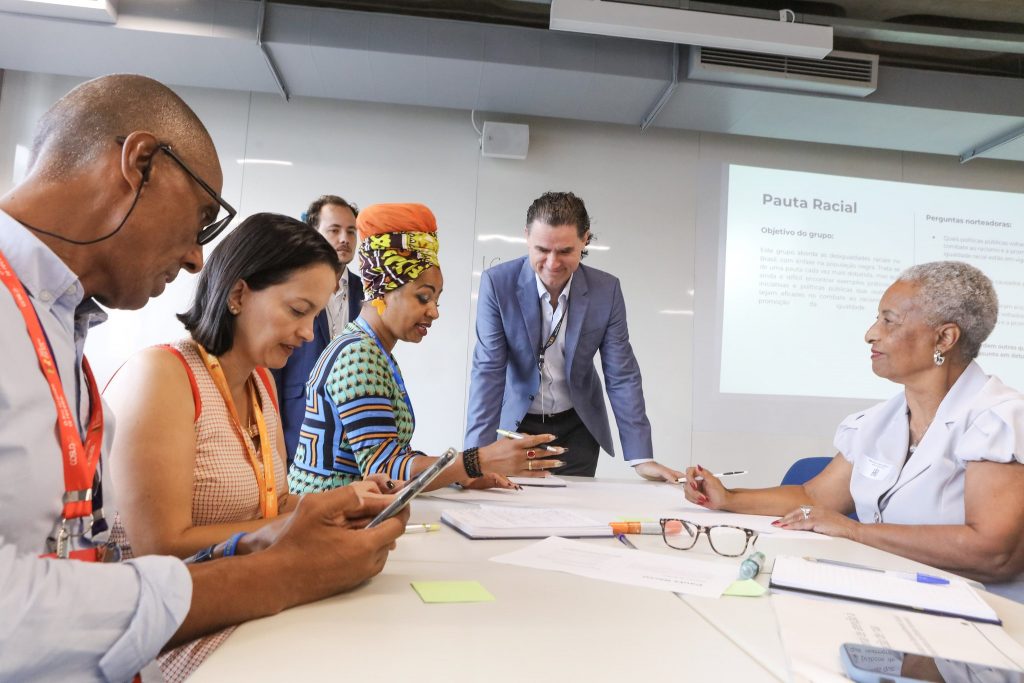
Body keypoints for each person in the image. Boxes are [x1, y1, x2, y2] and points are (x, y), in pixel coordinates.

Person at [0, 73, 406, 682]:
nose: (195, 257)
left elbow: (65, 554)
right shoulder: (155, 370)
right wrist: (280, 570)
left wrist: (300, 525)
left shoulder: (58, 322)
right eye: (197, 221)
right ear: (139, 163)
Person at [684, 261, 1024, 599]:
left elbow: (994, 553)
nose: (871, 333)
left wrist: (856, 532)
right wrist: (729, 498)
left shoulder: (998, 418)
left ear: (945, 338)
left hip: (979, 615)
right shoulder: (880, 420)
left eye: (888, 320)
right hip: (886, 595)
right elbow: (814, 497)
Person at [104, 212, 348, 680]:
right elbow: (161, 546)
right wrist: (295, 524)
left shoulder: (261, 384)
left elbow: (266, 503)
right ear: (238, 294)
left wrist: (340, 503)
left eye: (316, 317)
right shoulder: (164, 375)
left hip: (240, 602)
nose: (307, 334)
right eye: (299, 311)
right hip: (165, 629)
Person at [289, 202, 561, 494]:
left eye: (437, 300)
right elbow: (384, 468)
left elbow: (393, 457)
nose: (434, 311)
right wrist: (478, 460)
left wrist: (458, 474)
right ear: (383, 289)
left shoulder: (370, 349)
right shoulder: (358, 356)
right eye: (423, 297)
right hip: (326, 520)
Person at [464, 191, 681, 481]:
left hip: (578, 429)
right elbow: (487, 372)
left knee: (573, 516)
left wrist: (641, 457)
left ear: (585, 240)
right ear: (526, 237)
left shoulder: (607, 291)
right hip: (516, 427)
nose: (553, 263)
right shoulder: (497, 285)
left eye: (565, 251)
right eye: (542, 249)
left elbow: (621, 375)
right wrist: (473, 460)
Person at [272, 195, 364, 464]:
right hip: (296, 428)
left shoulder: (367, 293)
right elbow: (274, 367)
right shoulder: (290, 285)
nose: (344, 238)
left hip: (351, 438)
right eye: (334, 230)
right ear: (313, 233)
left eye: (351, 231)